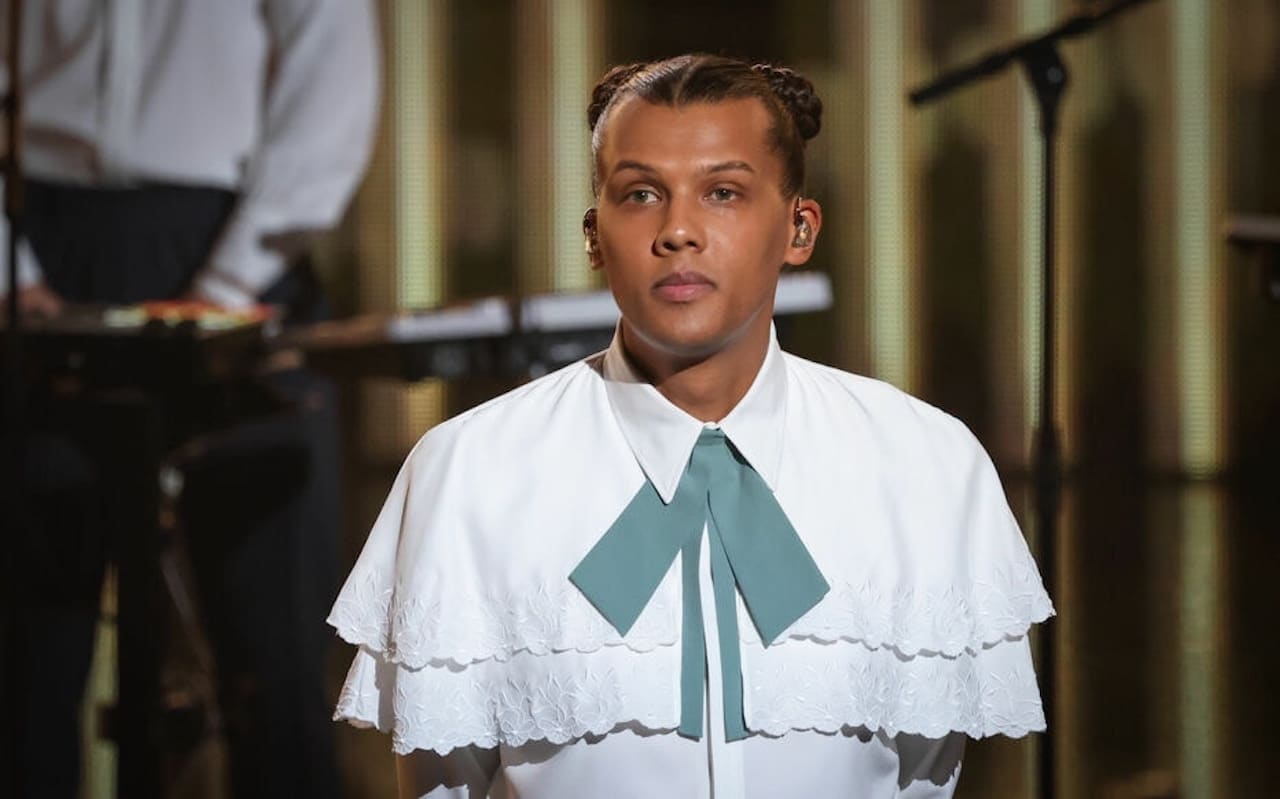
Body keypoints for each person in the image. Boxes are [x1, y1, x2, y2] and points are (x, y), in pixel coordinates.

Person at [328, 54, 1052, 797]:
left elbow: (932, 776)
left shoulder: (926, 464)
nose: (678, 230)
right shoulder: (469, 472)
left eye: (723, 193)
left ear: (799, 228)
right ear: (593, 235)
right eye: (641, 194)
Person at [0, 2, 379, 797]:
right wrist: (10, 264)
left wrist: (229, 284)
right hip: (43, 244)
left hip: (238, 240)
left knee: (274, 665)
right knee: (27, 666)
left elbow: (329, 78)